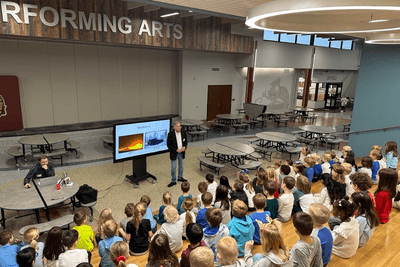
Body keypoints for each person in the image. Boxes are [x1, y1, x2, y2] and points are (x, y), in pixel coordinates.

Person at [167, 121, 188, 187]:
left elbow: (186, 141)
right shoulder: (170, 134)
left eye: (180, 126)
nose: (179, 128)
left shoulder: (184, 132)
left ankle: (180, 177)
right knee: (173, 167)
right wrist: (175, 150)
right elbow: (168, 145)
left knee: (181, 166)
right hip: (174, 153)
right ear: (174, 127)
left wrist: (184, 147)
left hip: (181, 153)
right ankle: (173, 180)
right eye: (178, 126)